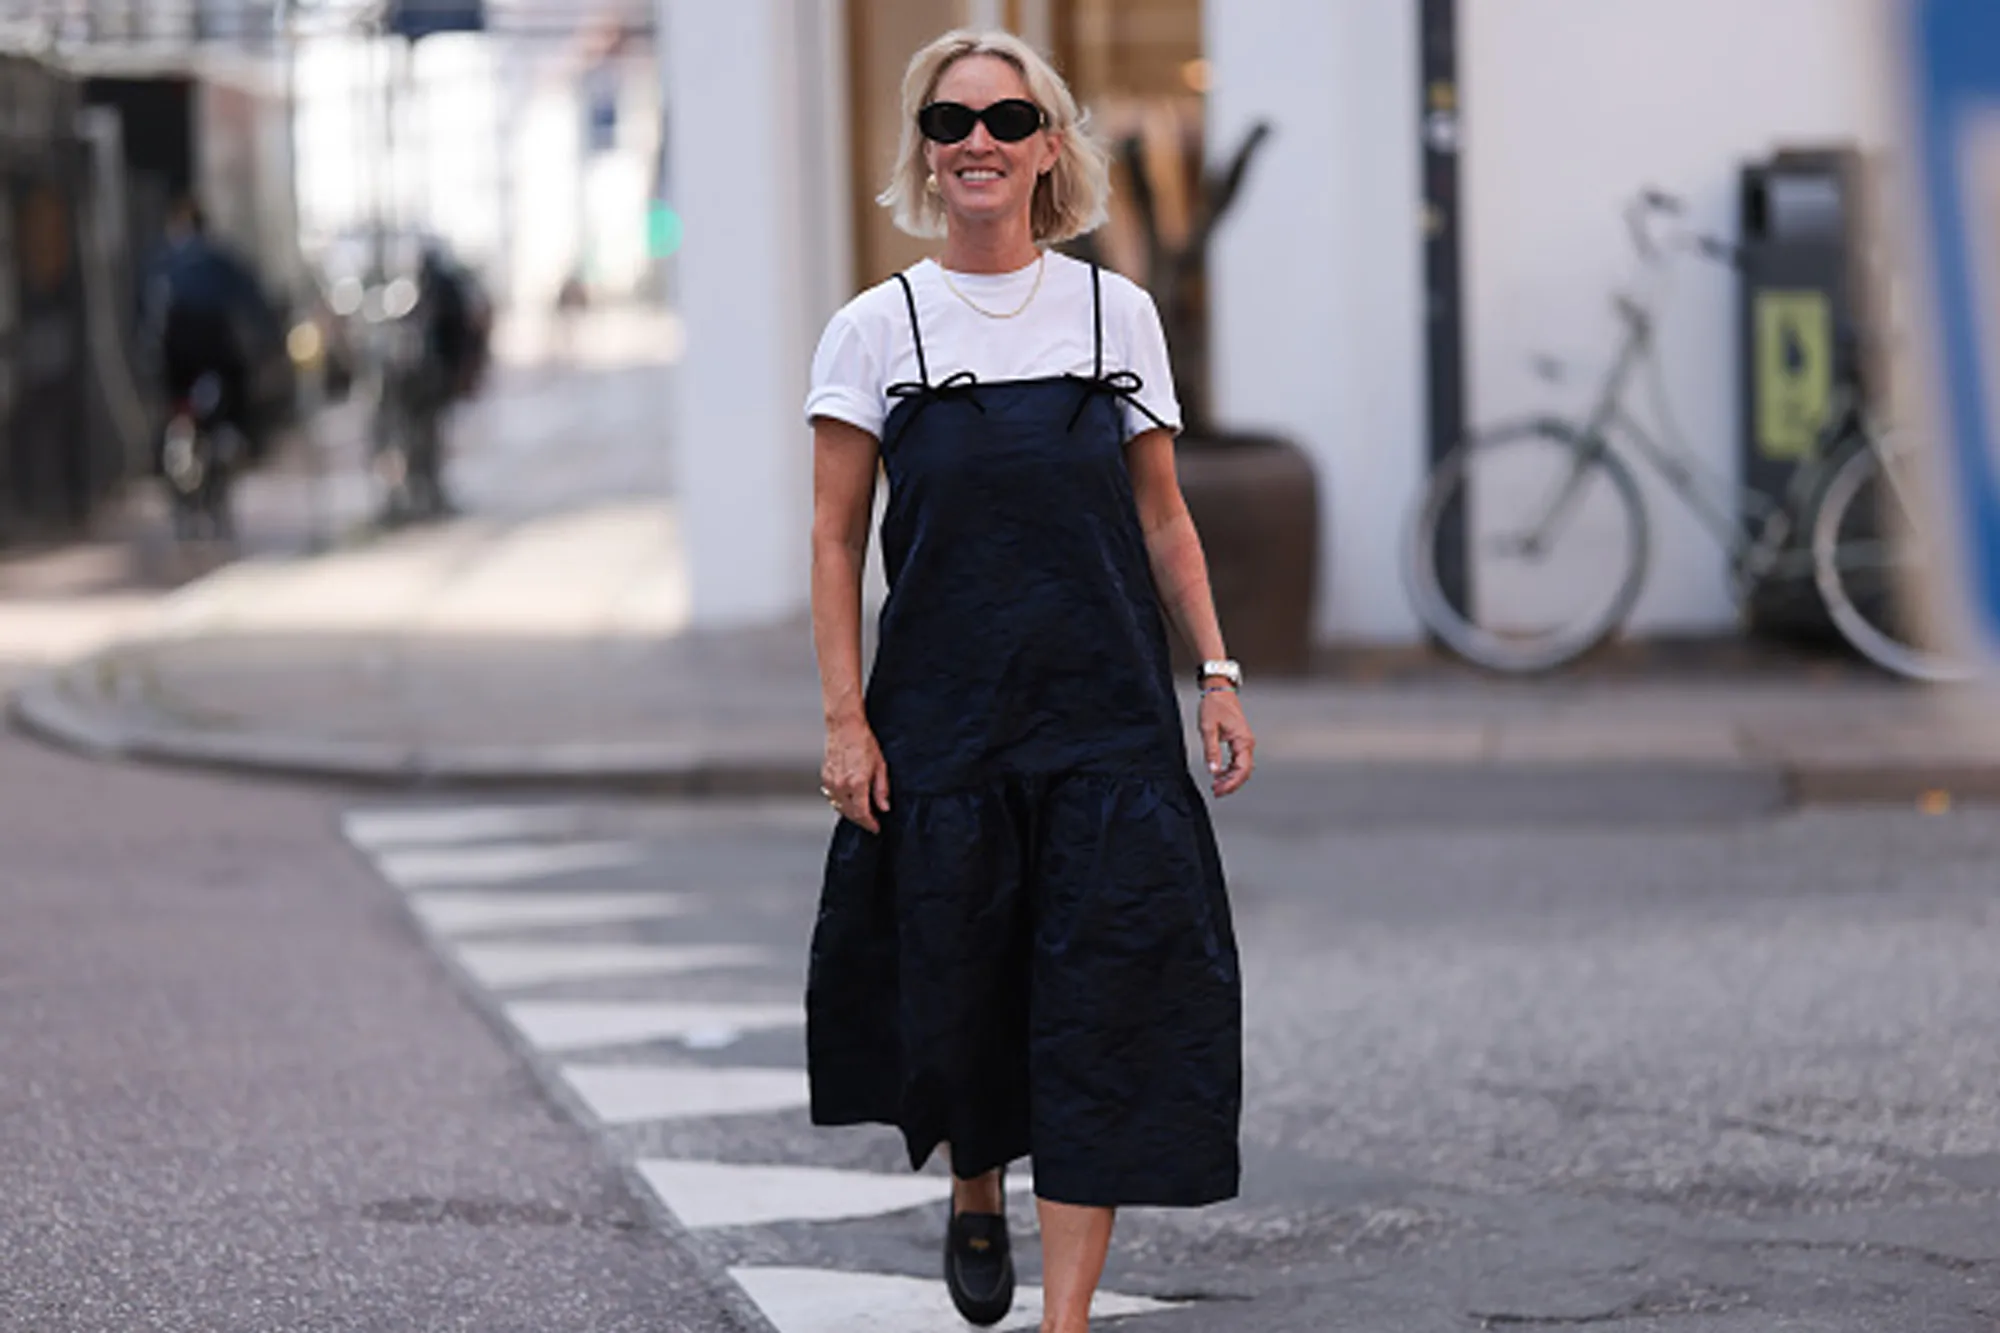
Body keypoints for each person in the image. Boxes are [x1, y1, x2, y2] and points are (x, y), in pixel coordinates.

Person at [803, 29, 1254, 1333]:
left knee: (1100, 1013)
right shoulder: (874, 330)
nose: (978, 143)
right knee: (964, 990)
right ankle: (975, 1183)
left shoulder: (1117, 315)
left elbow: (1162, 517)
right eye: (949, 123)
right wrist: (845, 720)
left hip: (1104, 721)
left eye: (1006, 120)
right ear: (925, 153)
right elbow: (833, 541)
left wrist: (1217, 671)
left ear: (1049, 146)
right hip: (945, 722)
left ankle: (1065, 1322)